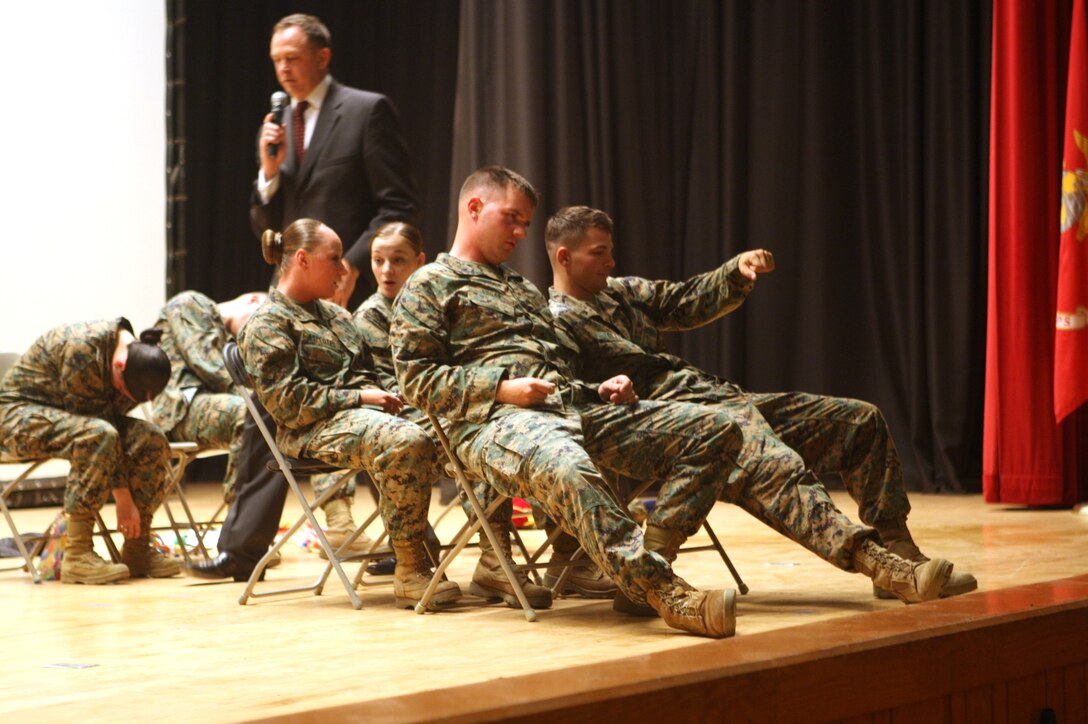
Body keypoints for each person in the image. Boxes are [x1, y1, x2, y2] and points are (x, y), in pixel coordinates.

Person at [391, 167, 951, 638]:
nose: (518, 231)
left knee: (716, 430)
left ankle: (882, 550)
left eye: (525, 223)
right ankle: (664, 590)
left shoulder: (518, 288)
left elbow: (556, 370)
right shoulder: (430, 285)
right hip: (494, 422)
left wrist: (597, 389)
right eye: (510, 218)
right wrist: (499, 389)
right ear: (473, 207)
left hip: (569, 408)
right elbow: (415, 379)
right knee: (566, 463)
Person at [543, 205, 977, 609]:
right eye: (599, 253)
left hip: (725, 402)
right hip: (681, 429)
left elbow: (685, 299)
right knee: (778, 465)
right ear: (564, 257)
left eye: (610, 251)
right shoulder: (556, 321)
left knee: (858, 420)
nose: (610, 262)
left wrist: (735, 271)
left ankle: (898, 546)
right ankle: (879, 564)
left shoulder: (621, 293)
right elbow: (563, 392)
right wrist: (603, 390)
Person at [238, 218, 461, 609]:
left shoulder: (337, 315)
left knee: (457, 431)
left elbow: (369, 377)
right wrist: (358, 399)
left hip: (361, 419)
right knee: (404, 439)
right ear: (303, 260)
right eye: (335, 259)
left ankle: (493, 561)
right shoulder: (267, 323)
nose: (344, 270)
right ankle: (410, 569)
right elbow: (288, 403)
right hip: (308, 431)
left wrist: (391, 397)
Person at [346, 220, 560, 608]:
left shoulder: (439, 296)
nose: (387, 270)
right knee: (476, 427)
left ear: (420, 262)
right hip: (403, 417)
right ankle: (486, 560)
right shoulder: (369, 318)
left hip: (451, 403)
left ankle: (542, 556)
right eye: (378, 260)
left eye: (398, 260)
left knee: (511, 420)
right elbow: (383, 389)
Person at [250, 12, 419, 309]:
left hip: (351, 292)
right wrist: (269, 173)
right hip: (289, 294)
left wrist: (350, 265)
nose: (283, 69)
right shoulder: (276, 128)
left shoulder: (366, 111)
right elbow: (266, 226)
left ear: (322, 57)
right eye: (276, 60)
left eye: (292, 58)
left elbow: (399, 205)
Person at [0, 318, 178, 584]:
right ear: (119, 367)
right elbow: (101, 430)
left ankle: (137, 550)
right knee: (97, 435)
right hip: (16, 419)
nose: (126, 401)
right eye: (123, 392)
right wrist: (123, 499)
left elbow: (106, 422)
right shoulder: (83, 349)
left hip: (69, 419)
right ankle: (77, 556)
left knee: (151, 437)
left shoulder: (134, 356)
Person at [151, 290, 266, 503]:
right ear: (253, 301)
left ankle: (337, 518)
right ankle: (242, 518)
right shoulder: (192, 303)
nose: (258, 335)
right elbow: (207, 364)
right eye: (260, 324)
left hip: (203, 408)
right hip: (180, 409)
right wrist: (265, 401)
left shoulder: (226, 338)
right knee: (253, 413)